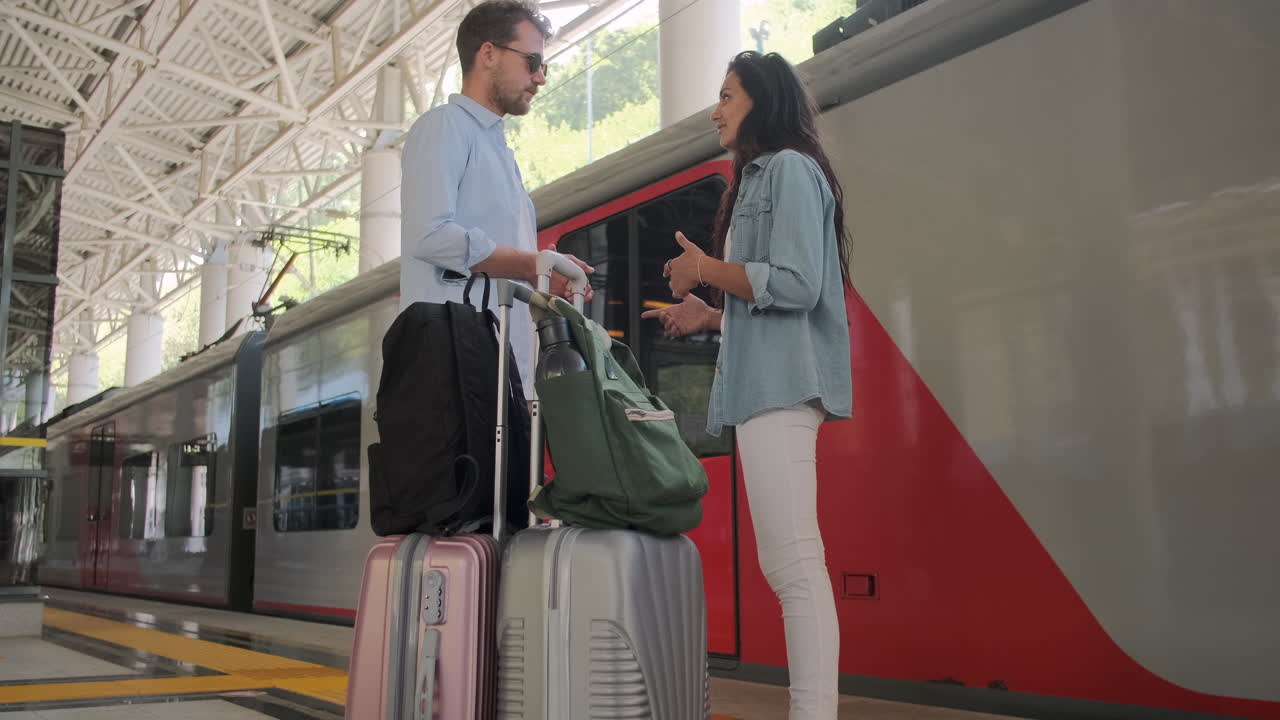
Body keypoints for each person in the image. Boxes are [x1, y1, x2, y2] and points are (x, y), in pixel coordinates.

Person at [642, 51, 853, 720]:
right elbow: (766, 294)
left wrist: (706, 269)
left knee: (794, 567)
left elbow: (794, 283)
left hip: (782, 389)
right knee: (790, 565)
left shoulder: (788, 170)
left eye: (728, 96)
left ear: (762, 101)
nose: (716, 110)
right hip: (767, 383)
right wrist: (711, 312)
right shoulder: (763, 178)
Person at [400, 0, 592, 395]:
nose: (540, 77)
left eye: (544, 66)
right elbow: (429, 235)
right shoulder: (443, 125)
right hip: (456, 372)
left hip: (504, 375)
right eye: (532, 61)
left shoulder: (500, 153)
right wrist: (528, 264)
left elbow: (506, 266)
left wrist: (542, 274)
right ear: (488, 53)